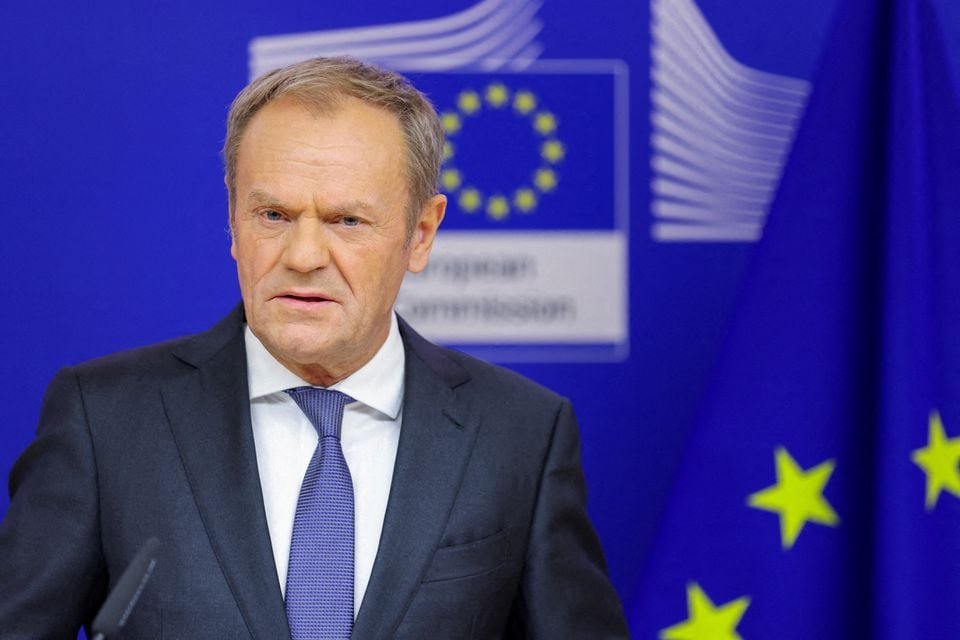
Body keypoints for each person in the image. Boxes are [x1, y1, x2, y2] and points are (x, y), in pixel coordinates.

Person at [0, 57, 628, 639]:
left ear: (421, 232)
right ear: (233, 221)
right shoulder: (105, 419)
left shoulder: (521, 432)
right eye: (272, 215)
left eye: (347, 221)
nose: (302, 257)